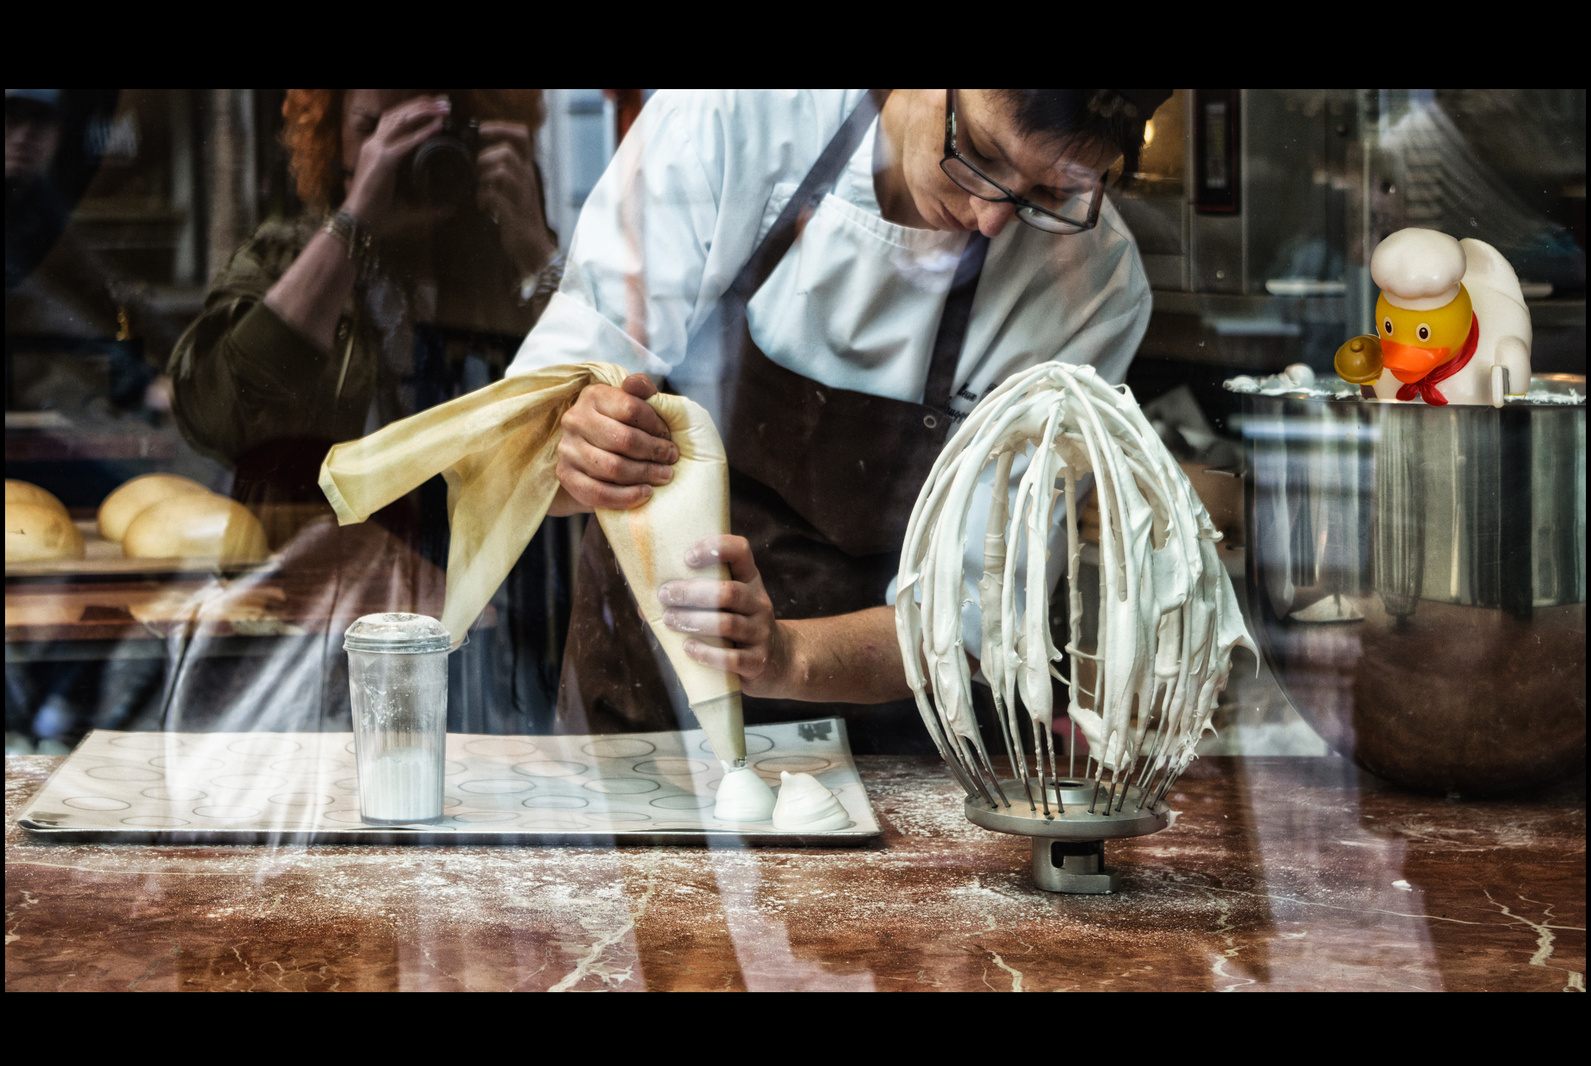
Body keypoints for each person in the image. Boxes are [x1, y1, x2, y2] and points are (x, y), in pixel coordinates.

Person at [508, 89, 1169, 753]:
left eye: (1052, 193)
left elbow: (971, 615)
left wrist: (786, 656)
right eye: (979, 152)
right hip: (648, 716)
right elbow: (525, 456)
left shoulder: (1095, 284)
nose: (992, 216)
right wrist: (578, 451)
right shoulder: (732, 120)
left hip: (895, 754)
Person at [163, 89, 565, 733]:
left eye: (435, 125)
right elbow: (214, 410)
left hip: (499, 620)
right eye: (375, 127)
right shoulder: (285, 252)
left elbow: (610, 403)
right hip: (315, 621)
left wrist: (536, 252)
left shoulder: (504, 254)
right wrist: (354, 223)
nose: (404, 149)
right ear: (330, 138)